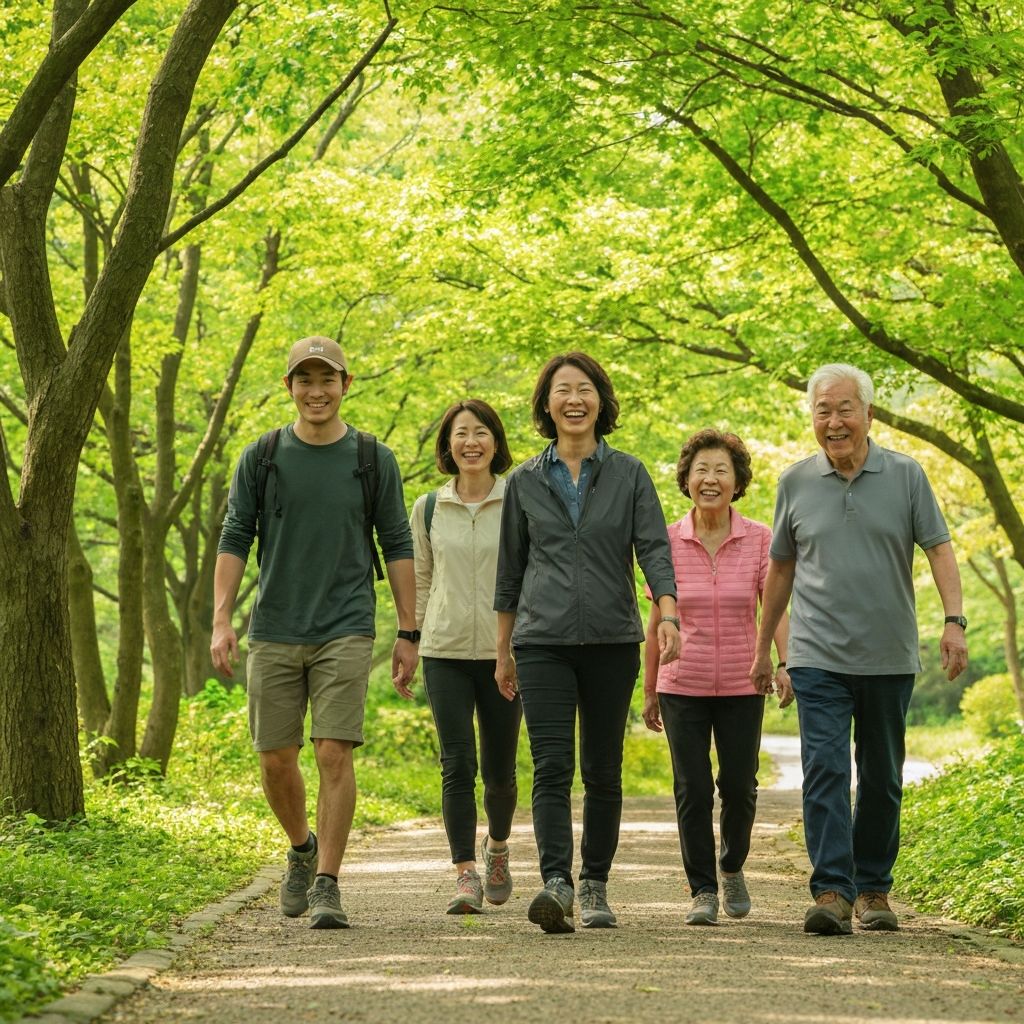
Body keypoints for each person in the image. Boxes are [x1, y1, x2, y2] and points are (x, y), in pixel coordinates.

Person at [750, 363, 968, 935]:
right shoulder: (795, 482)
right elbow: (779, 570)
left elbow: (940, 550)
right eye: (823, 410)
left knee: (881, 775)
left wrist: (954, 621)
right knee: (823, 768)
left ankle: (874, 890)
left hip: (888, 655)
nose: (834, 420)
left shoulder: (906, 476)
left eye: (845, 408)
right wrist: (763, 650)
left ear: (869, 414)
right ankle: (831, 891)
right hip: (816, 653)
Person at [211, 336, 419, 930]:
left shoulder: (372, 458)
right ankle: (301, 848)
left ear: (345, 384)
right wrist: (221, 620)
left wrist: (409, 630)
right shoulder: (263, 455)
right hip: (274, 625)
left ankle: (327, 881)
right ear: (290, 388)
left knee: (332, 750)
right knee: (276, 759)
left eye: (326, 379)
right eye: (304, 380)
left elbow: (397, 543)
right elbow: (234, 538)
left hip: (346, 624)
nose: (316, 391)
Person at [494, 351, 680, 934]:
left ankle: (595, 883)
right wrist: (504, 650)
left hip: (612, 638)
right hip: (541, 640)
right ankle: (557, 883)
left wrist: (667, 613)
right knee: (551, 767)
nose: (574, 400)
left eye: (584, 389)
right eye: (561, 391)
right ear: (546, 406)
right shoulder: (523, 481)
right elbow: (509, 572)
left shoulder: (628, 473)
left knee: (603, 770)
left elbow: (653, 549)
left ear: (601, 400)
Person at [642, 429, 792, 926]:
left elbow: (775, 608)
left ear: (737, 481)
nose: (710, 479)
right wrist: (648, 689)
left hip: (743, 682)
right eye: (701, 470)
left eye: (721, 470)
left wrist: (783, 661)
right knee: (691, 787)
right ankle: (701, 888)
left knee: (740, 785)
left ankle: (731, 866)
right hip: (680, 683)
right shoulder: (664, 541)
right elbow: (654, 622)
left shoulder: (760, 540)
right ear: (686, 479)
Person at [410, 399, 523, 915]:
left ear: (495, 442)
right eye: (461, 434)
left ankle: (497, 849)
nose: (471, 442)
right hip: (445, 651)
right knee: (457, 764)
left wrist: (520, 645)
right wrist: (407, 637)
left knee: (499, 771)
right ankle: (465, 874)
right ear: (448, 444)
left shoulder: (519, 499)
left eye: (481, 432)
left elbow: (528, 575)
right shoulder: (429, 507)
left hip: (507, 654)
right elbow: (422, 579)